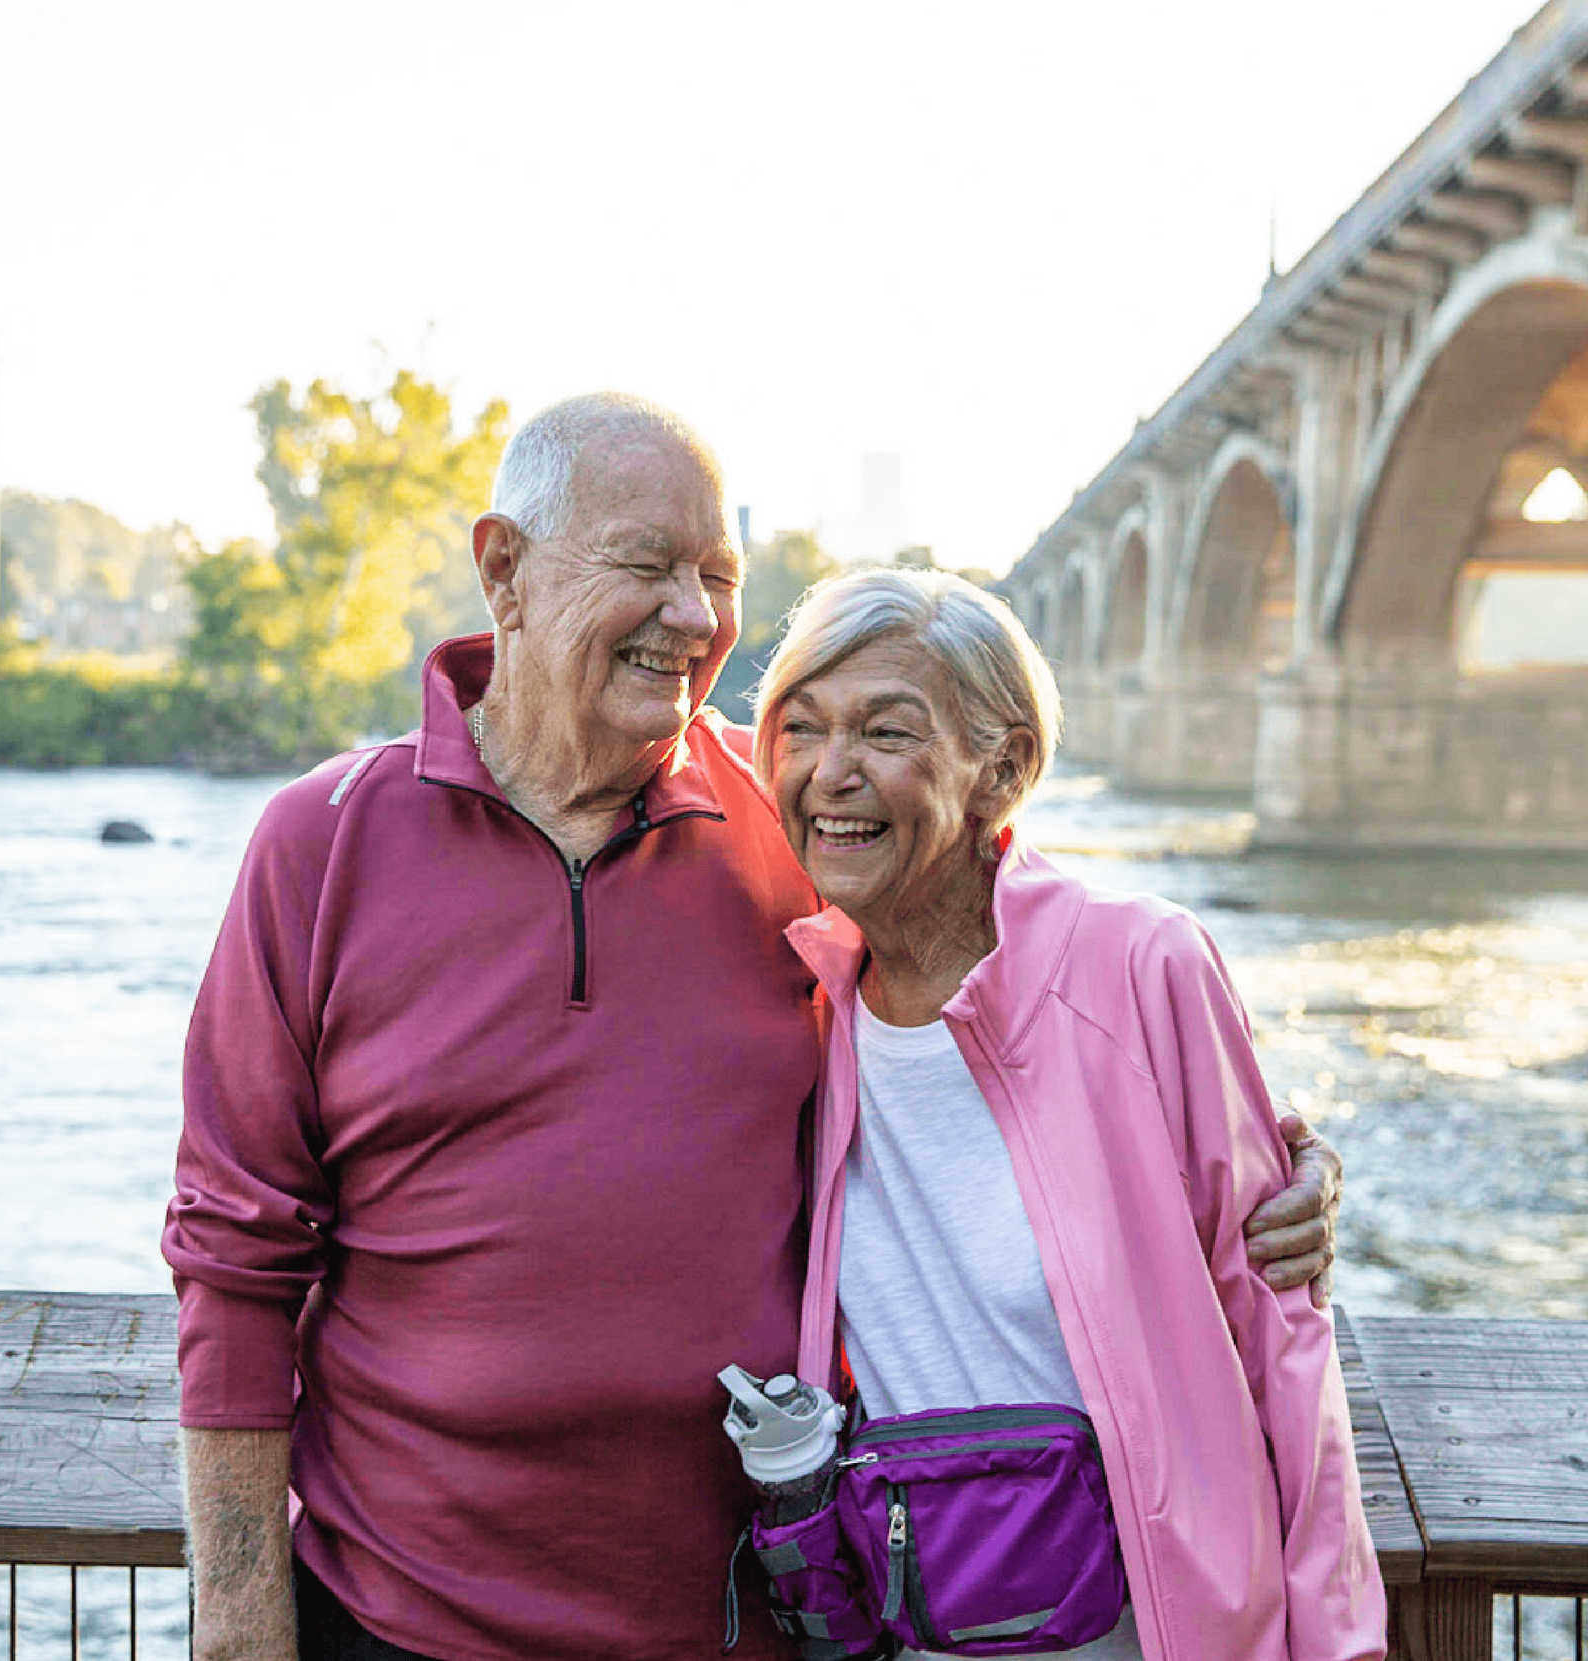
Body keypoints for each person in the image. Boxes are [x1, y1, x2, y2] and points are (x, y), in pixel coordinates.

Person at [162, 393, 1345, 1661]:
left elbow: (1013, 948)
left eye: (717, 577)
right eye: (648, 565)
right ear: (503, 569)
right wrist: (237, 1631)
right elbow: (234, 1258)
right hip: (399, 1621)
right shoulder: (322, 842)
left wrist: (1247, 1156)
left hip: (746, 1623)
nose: (693, 617)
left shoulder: (794, 818)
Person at [752, 565, 1383, 1659]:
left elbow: (1283, 1342)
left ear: (1001, 769)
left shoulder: (1143, 966)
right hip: (913, 1630)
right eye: (800, 727)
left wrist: (1336, 1644)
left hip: (1148, 1634)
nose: (829, 771)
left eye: (887, 731)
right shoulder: (808, 999)